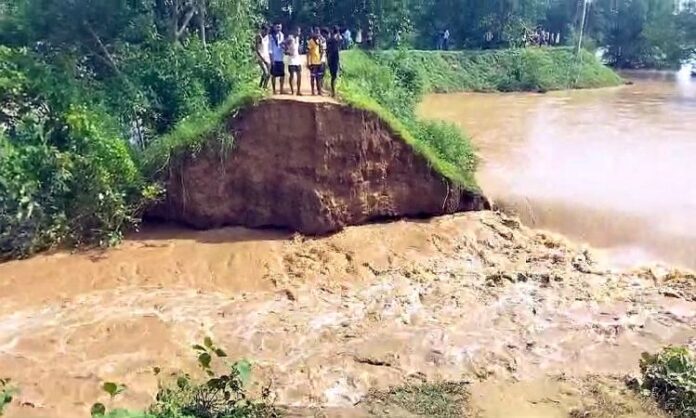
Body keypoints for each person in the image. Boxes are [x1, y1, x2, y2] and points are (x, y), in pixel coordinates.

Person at [269, 22, 286, 94]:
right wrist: (271, 59)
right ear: (274, 27)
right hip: (274, 57)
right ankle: (274, 90)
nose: (278, 28)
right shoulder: (270, 36)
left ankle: (281, 90)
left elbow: (283, 46)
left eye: (279, 27)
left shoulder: (282, 35)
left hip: (281, 57)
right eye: (277, 27)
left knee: (282, 75)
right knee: (273, 75)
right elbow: (270, 49)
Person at [285, 27, 303, 96]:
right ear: (294, 31)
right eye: (298, 31)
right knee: (292, 75)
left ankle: (298, 90)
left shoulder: (297, 39)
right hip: (291, 60)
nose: (299, 32)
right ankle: (292, 91)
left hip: (297, 59)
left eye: (299, 31)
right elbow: (283, 44)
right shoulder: (290, 38)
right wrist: (287, 52)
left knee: (299, 75)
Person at [307, 28, 324, 96]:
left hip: (319, 62)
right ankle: (312, 91)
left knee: (319, 78)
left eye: (318, 32)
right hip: (313, 62)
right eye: (316, 32)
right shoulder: (311, 41)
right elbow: (308, 52)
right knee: (313, 77)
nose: (317, 34)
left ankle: (319, 91)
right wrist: (308, 62)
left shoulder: (320, 41)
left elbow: (322, 50)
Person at [327, 26, 342, 97]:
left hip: (332, 59)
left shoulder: (331, 40)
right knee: (334, 76)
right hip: (334, 59)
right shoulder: (334, 40)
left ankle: (333, 91)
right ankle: (333, 91)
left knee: (334, 76)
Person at [254, 24, 270, 89]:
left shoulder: (267, 37)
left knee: (268, 74)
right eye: (265, 31)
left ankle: (263, 86)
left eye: (267, 31)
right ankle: (262, 86)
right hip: (260, 57)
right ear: (262, 30)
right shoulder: (259, 37)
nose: (266, 33)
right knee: (265, 72)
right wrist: (263, 59)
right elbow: (257, 49)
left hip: (266, 56)